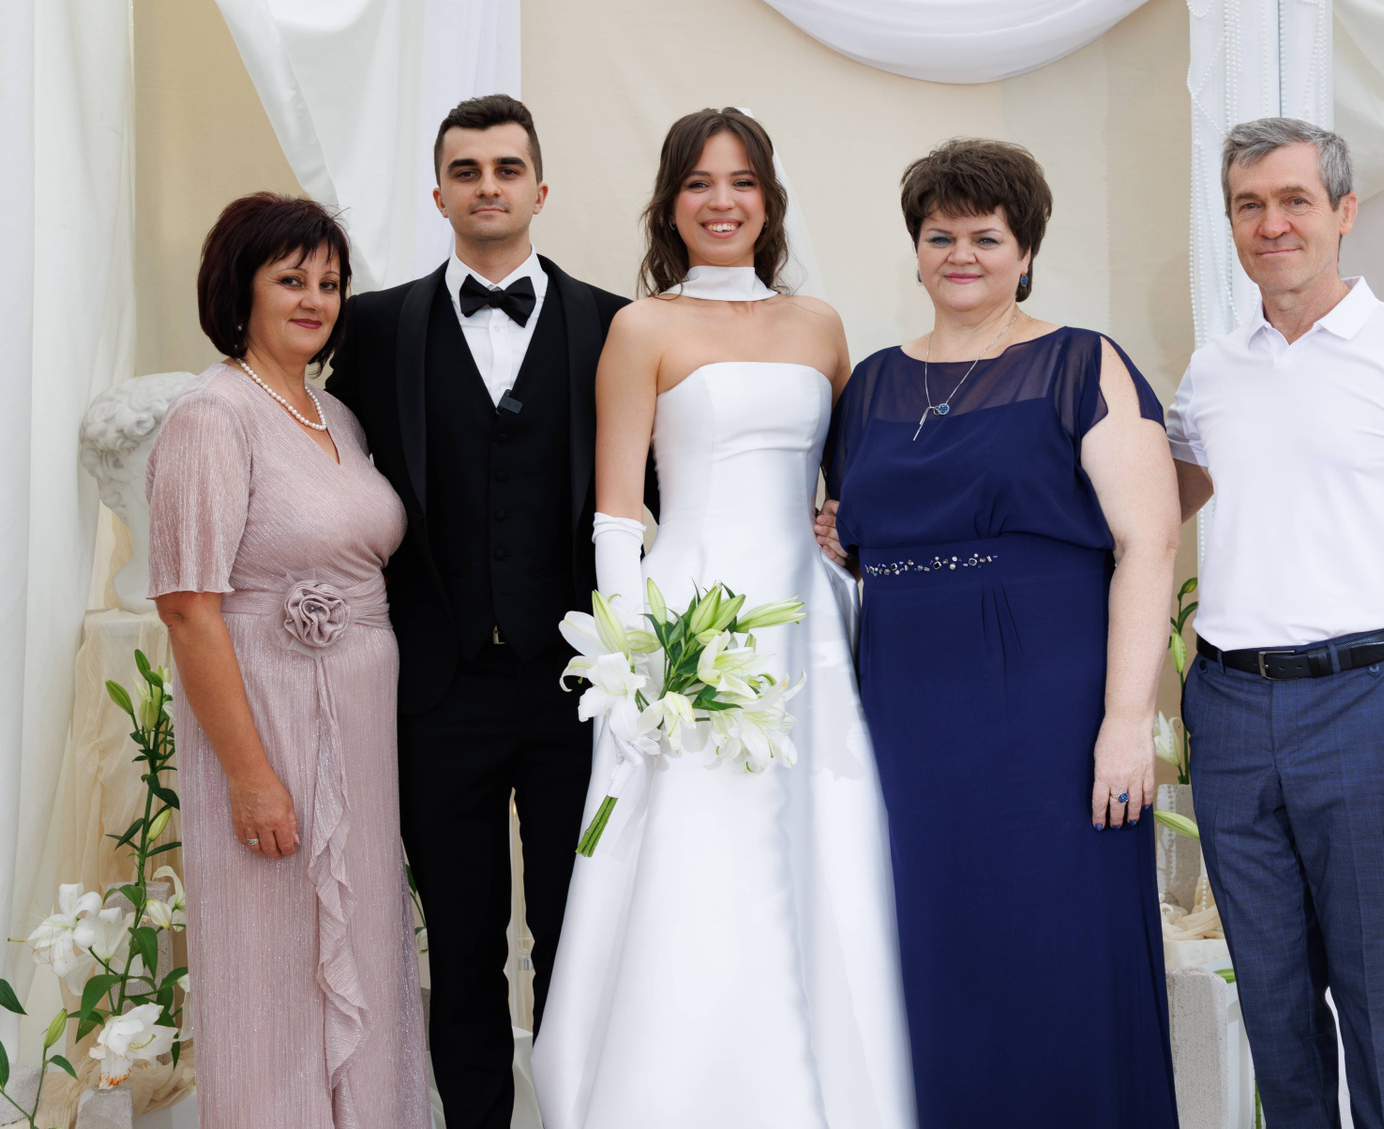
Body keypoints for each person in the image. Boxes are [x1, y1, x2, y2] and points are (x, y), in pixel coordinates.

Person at [533, 108, 914, 1129]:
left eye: (741, 181)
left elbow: (856, 483)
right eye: (699, 182)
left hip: (811, 629)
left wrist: (848, 538)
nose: (721, 201)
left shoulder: (820, 324)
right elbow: (618, 510)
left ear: (769, 200)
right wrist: (631, 661)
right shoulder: (641, 328)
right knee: (699, 853)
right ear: (670, 203)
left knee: (822, 843)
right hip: (689, 629)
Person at [814, 138, 1182, 1127]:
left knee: (1057, 943)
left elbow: (1149, 539)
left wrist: (1125, 722)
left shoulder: (1081, 361)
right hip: (908, 706)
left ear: (1026, 252)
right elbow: (859, 531)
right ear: (917, 251)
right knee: (933, 946)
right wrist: (842, 541)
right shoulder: (871, 384)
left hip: (1049, 707)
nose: (961, 255)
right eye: (941, 236)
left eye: (985, 236)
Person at [322, 94, 643, 1128]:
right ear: (439, 194)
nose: (488, 187)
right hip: (435, 689)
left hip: (574, 688)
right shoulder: (375, 326)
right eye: (467, 171)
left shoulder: (616, 325)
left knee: (575, 936)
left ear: (540, 189)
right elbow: (327, 469)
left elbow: (658, 487)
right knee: (459, 946)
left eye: (507, 169)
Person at [1167, 117, 1384, 1129]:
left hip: (1367, 707)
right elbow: (1140, 517)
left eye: (1295, 200)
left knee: (1377, 1007)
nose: (1273, 224)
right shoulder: (1209, 372)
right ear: (1230, 222)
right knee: (1273, 1007)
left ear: (1343, 212)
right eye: (1249, 205)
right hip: (1227, 707)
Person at [147, 193, 428, 1128]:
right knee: (273, 968)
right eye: (291, 279)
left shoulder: (335, 414)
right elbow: (188, 609)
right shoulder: (212, 415)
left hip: (358, 724)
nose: (315, 299)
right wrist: (251, 776)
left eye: (330, 283)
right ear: (242, 289)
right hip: (268, 719)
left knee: (362, 949)